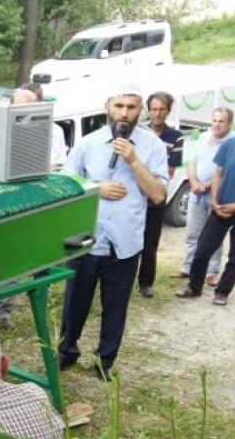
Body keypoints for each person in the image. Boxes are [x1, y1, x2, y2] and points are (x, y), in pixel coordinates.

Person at [59, 85, 168, 379]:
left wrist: (133, 160)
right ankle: (66, 351)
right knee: (75, 303)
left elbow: (158, 196)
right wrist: (95, 189)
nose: (124, 112)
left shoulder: (153, 147)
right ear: (107, 106)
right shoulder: (88, 143)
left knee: (115, 306)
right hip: (87, 239)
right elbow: (66, 186)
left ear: (140, 111)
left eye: (132, 107)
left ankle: (104, 361)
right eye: (119, 105)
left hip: (125, 242)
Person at [0, 83, 67, 329]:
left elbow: (55, 167)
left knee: (16, 259)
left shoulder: (53, 132)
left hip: (31, 206)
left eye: (31, 107)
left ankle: (3, 311)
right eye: (19, 108)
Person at [176, 103, 235, 308]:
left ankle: (222, 292)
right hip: (221, 208)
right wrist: (216, 202)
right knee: (202, 249)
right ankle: (194, 286)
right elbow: (218, 174)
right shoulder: (229, 144)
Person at [173, 108, 233, 285]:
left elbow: (227, 170)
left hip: (216, 196)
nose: (217, 124)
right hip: (196, 194)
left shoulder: (232, 142)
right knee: (192, 233)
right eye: (214, 120)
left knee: (214, 235)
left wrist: (206, 185)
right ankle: (187, 267)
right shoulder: (204, 137)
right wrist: (193, 182)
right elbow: (193, 162)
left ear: (229, 123)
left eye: (221, 121)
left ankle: (211, 271)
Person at [137, 91, 183, 298]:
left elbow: (169, 171)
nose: (157, 113)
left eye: (161, 109)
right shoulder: (137, 132)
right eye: (153, 109)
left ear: (168, 111)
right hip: (135, 196)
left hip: (155, 198)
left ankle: (146, 283)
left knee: (150, 243)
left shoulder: (175, 137)